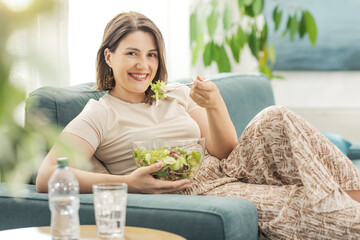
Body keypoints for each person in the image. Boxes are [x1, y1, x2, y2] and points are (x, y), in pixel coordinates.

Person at [36, 11, 360, 239]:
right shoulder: (99, 113)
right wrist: (128, 183)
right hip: (190, 189)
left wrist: (215, 103)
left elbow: (226, 151)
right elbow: (47, 176)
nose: (143, 65)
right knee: (309, 205)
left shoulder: (174, 93)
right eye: (131, 53)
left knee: (274, 117)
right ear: (109, 57)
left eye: (151, 55)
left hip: (225, 170)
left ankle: (354, 194)